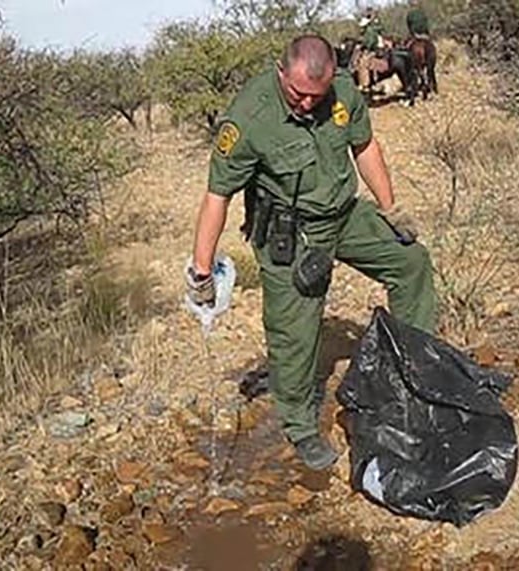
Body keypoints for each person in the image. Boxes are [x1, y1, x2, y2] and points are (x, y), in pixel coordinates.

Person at [186, 34, 437, 471]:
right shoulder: (250, 117)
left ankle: (413, 375)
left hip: (343, 213)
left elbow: (365, 147)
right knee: (294, 333)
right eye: (297, 93)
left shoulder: (341, 91)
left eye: (314, 97)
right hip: (290, 232)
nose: (305, 104)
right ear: (281, 71)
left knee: (412, 262)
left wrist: (390, 209)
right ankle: (301, 426)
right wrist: (202, 273)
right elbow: (216, 198)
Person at [355, 9, 387, 91]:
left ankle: (365, 84)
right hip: (371, 49)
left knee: (363, 63)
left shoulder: (370, 31)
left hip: (371, 50)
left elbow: (370, 41)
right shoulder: (368, 30)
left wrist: (363, 47)